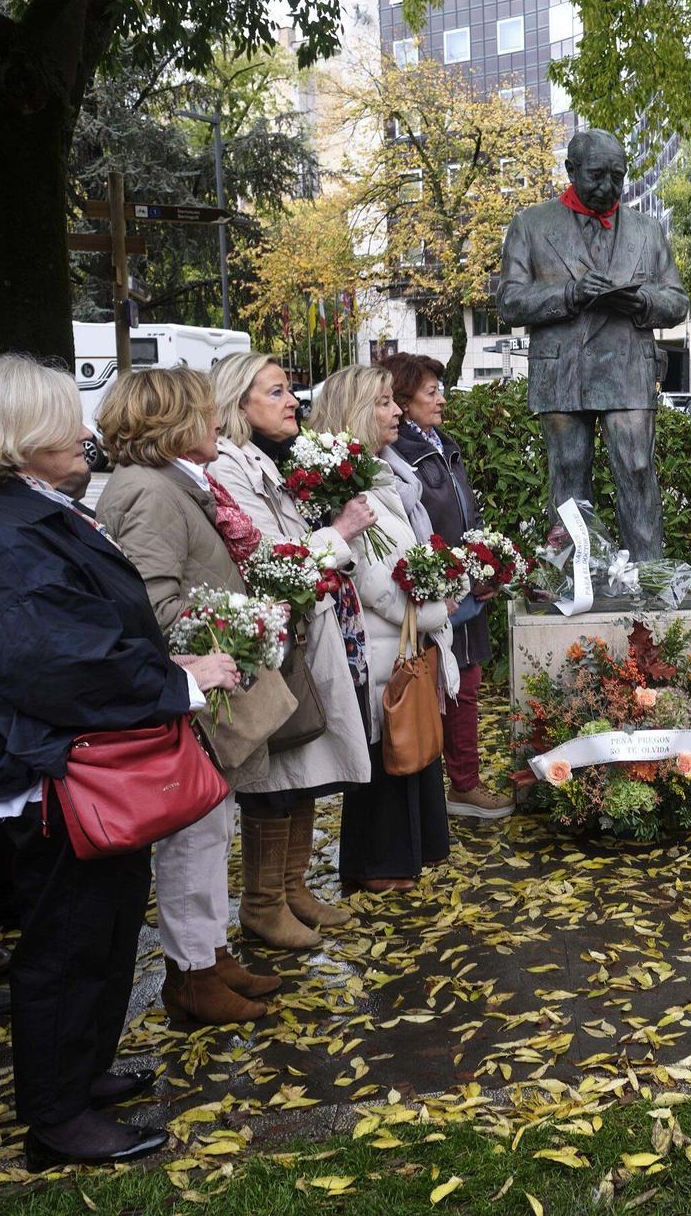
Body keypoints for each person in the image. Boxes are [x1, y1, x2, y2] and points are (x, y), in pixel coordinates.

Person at [0, 356, 241, 1166]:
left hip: (77, 765)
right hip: (50, 769)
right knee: (66, 939)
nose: (85, 430)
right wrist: (177, 681)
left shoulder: (28, 511)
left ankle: (82, 1074)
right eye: (65, 417)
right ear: (17, 438)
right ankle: (57, 1116)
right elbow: (61, 659)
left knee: (102, 927)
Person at [93, 368, 282, 1022]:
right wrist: (239, 633)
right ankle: (191, 974)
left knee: (210, 831)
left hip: (206, 689)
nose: (216, 424)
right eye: (204, 413)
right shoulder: (150, 491)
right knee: (192, 836)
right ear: (171, 421)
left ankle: (209, 954)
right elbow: (151, 601)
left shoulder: (170, 484)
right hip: (190, 694)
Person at [208, 354, 375, 942]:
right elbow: (270, 562)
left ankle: (292, 887)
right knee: (277, 770)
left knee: (304, 765)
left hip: (304, 634)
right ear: (238, 402)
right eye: (276, 391)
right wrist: (342, 532)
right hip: (277, 642)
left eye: (289, 391)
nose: (291, 402)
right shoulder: (229, 468)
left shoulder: (267, 462)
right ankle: (263, 901)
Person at [495, 127, 690, 561]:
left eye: (617, 177)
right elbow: (509, 301)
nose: (608, 187)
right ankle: (572, 576)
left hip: (627, 367)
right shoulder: (530, 225)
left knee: (638, 469)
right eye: (597, 175)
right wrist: (569, 294)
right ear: (571, 170)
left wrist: (641, 301)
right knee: (568, 472)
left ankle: (648, 574)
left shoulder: (647, 230)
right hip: (564, 369)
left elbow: (677, 300)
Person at [312, 366, 461, 894]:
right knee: (388, 756)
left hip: (391, 647)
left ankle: (398, 861)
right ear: (356, 412)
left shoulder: (378, 472)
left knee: (401, 752)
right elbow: (378, 583)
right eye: (382, 404)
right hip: (378, 651)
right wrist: (440, 605)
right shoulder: (351, 487)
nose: (396, 410)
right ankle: (380, 868)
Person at [386, 353, 513, 820]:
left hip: (465, 586)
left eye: (441, 389)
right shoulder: (397, 451)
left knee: (468, 681)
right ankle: (447, 786)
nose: (441, 399)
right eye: (431, 392)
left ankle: (463, 783)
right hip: (436, 589)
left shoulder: (444, 441)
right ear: (403, 400)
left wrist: (487, 562)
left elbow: (467, 511)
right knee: (438, 689)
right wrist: (447, 574)